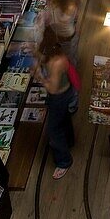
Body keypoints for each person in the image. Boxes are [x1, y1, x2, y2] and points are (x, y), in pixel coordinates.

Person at [34, 25, 75, 179]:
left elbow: (52, 88)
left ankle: (64, 161)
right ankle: (70, 141)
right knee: (64, 120)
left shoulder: (56, 62)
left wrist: (39, 77)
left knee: (53, 130)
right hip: (64, 94)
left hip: (59, 96)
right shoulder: (56, 52)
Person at [34, 0, 81, 64]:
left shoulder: (69, 7)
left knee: (69, 55)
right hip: (56, 32)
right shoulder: (56, 4)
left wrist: (47, 15)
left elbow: (62, 20)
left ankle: (71, 68)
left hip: (67, 36)